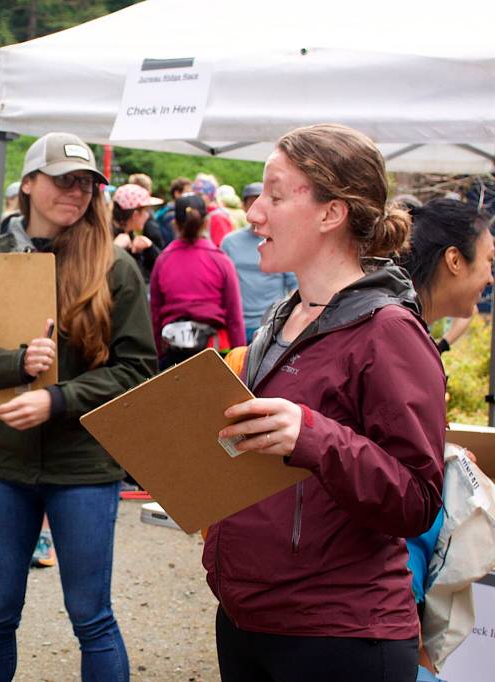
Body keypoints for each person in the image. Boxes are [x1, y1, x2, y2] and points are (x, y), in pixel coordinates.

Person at [209, 123, 447, 682]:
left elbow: (418, 499)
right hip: (247, 619)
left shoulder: (389, 330)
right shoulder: (281, 317)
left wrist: (313, 436)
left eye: (274, 194)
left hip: (340, 636)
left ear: (330, 212)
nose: (255, 213)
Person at [0, 131, 157, 681]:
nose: (76, 191)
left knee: (92, 617)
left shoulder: (115, 268)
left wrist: (57, 399)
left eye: (85, 182)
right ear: (29, 184)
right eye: (63, 179)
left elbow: (137, 371)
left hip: (84, 466)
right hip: (2, 464)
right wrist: (15, 365)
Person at [400, 198, 494, 679]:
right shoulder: (401, 337)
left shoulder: (407, 330)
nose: (491, 277)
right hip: (390, 584)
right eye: (489, 261)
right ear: (455, 260)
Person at [149, 193, 245, 369]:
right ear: (206, 222)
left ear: (174, 224)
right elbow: (234, 317)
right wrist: (241, 358)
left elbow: (155, 313)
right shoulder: (221, 260)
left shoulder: (163, 260)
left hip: (172, 352)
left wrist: (158, 352)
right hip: (214, 351)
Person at [220, 182, 298, 343]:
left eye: (262, 202)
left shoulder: (281, 242)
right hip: (237, 325)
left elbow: (295, 286)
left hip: (272, 325)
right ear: (243, 206)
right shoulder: (229, 242)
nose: (257, 208)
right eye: (251, 202)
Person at [111, 183, 163, 283]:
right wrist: (115, 249)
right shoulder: (107, 238)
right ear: (135, 214)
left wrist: (149, 247)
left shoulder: (131, 235)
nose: (147, 216)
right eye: (146, 211)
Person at [191, 174, 234, 246]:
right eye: (194, 194)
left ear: (210, 195)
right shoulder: (200, 214)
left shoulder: (217, 217)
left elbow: (223, 248)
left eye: (200, 194)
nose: (195, 198)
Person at [153, 176, 191, 247]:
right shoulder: (171, 215)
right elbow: (171, 242)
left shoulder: (167, 209)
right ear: (177, 194)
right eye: (186, 193)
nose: (189, 197)